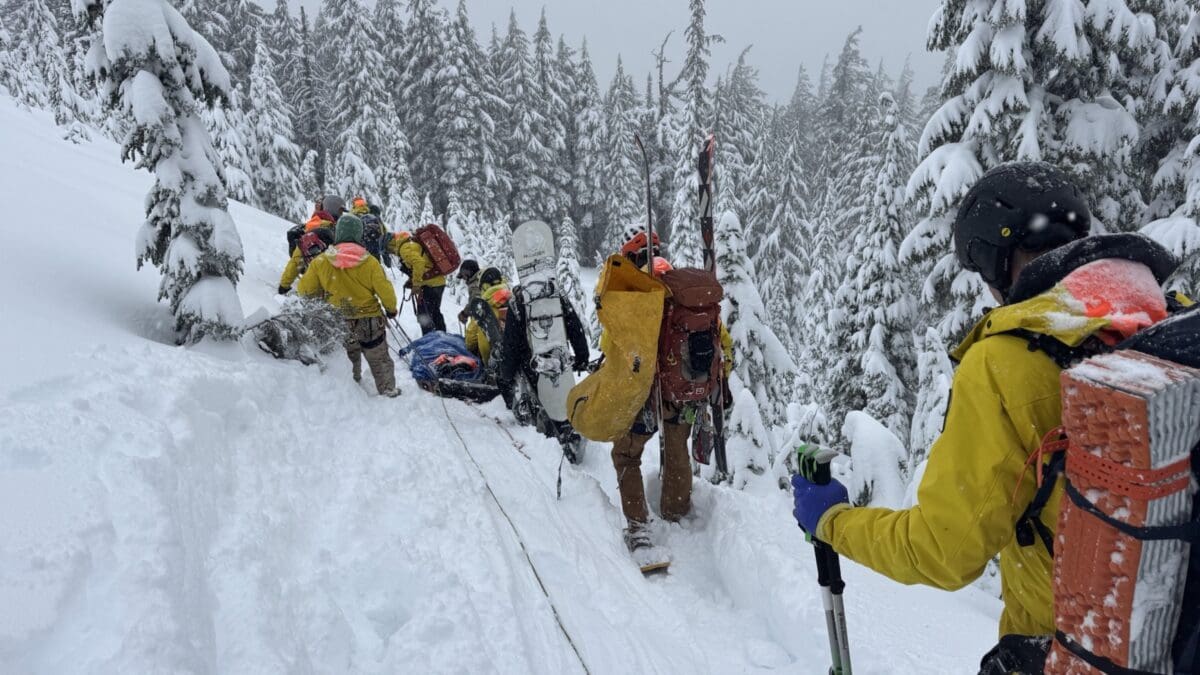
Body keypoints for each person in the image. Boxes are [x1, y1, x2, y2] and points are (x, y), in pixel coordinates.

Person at [789, 162, 1192, 674]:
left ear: (997, 263)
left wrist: (832, 522)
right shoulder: (1170, 324)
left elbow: (944, 549)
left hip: (1073, 655)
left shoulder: (1006, 362)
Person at [604, 229, 732, 554]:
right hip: (685, 392)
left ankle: (638, 528)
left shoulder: (639, 292)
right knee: (677, 452)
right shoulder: (686, 293)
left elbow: (614, 346)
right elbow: (723, 343)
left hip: (648, 395)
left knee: (626, 454)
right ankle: (676, 514)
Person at [297, 213, 400, 397]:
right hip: (369, 320)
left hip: (338, 320)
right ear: (358, 234)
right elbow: (385, 290)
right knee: (378, 356)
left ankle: (353, 389)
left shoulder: (321, 261)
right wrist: (391, 309)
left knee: (349, 356)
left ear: (338, 233)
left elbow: (305, 291)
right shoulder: (369, 262)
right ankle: (388, 389)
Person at [494, 266, 591, 455]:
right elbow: (575, 326)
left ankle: (552, 439)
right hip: (559, 356)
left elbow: (511, 344)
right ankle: (568, 430)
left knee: (542, 398)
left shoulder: (517, 302)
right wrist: (582, 357)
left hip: (531, 361)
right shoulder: (556, 296)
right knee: (561, 394)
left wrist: (506, 373)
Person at [278, 196, 343, 294]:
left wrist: (284, 285)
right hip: (331, 285)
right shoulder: (333, 231)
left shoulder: (309, 229)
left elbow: (296, 262)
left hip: (310, 279)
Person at [388, 230, 447, 334]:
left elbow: (419, 263)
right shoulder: (410, 244)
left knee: (423, 314)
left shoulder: (404, 248)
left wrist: (416, 284)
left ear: (391, 244)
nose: (391, 253)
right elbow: (422, 264)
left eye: (389, 250)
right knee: (434, 311)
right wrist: (412, 280)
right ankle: (442, 336)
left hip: (430, 284)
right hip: (438, 282)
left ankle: (429, 338)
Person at [464, 267, 511, 364]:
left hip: (492, 361)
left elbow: (470, 341)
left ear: (484, 286)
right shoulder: (514, 300)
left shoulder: (482, 309)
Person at [456, 259, 482, 324]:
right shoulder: (481, 279)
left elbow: (475, 302)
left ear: (468, 273)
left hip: (483, 317)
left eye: (463, 276)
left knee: (472, 330)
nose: (464, 279)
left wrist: (464, 313)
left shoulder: (475, 284)